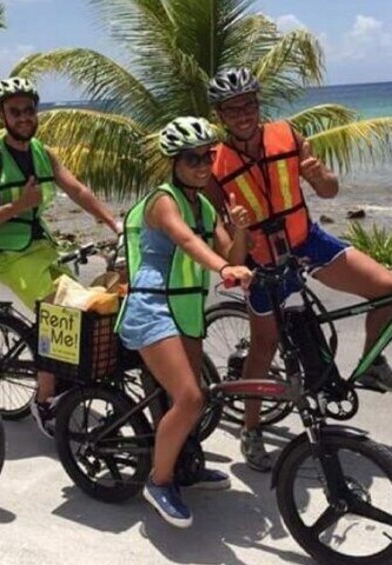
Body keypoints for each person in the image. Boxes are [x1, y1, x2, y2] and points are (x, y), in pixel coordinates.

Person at [206, 67, 392, 472]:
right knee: (264, 345)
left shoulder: (287, 135)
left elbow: (329, 190)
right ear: (221, 115)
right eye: (233, 108)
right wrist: (239, 238)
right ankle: (250, 428)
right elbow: (223, 240)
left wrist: (319, 174)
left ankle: (373, 364)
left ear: (258, 104)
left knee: (389, 289)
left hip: (306, 240)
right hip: (263, 260)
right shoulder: (214, 164)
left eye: (249, 104)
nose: (243, 113)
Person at [0, 77, 121, 437]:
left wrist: (115, 224)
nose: (23, 117)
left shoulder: (42, 152)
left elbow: (77, 188)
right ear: (2, 115)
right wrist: (19, 205)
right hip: (7, 255)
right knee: (60, 315)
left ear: (36, 113)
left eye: (29, 110)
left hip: (41, 248)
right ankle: (45, 401)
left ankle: (62, 377)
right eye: (14, 111)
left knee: (87, 309)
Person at [117, 117, 253, 528]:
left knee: (194, 396)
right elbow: (189, 242)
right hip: (152, 306)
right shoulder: (164, 201)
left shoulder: (205, 204)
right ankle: (159, 482)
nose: (202, 164)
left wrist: (240, 231)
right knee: (190, 398)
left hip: (186, 308)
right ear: (174, 162)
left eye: (208, 156)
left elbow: (233, 257)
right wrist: (225, 271)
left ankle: (184, 466)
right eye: (192, 158)